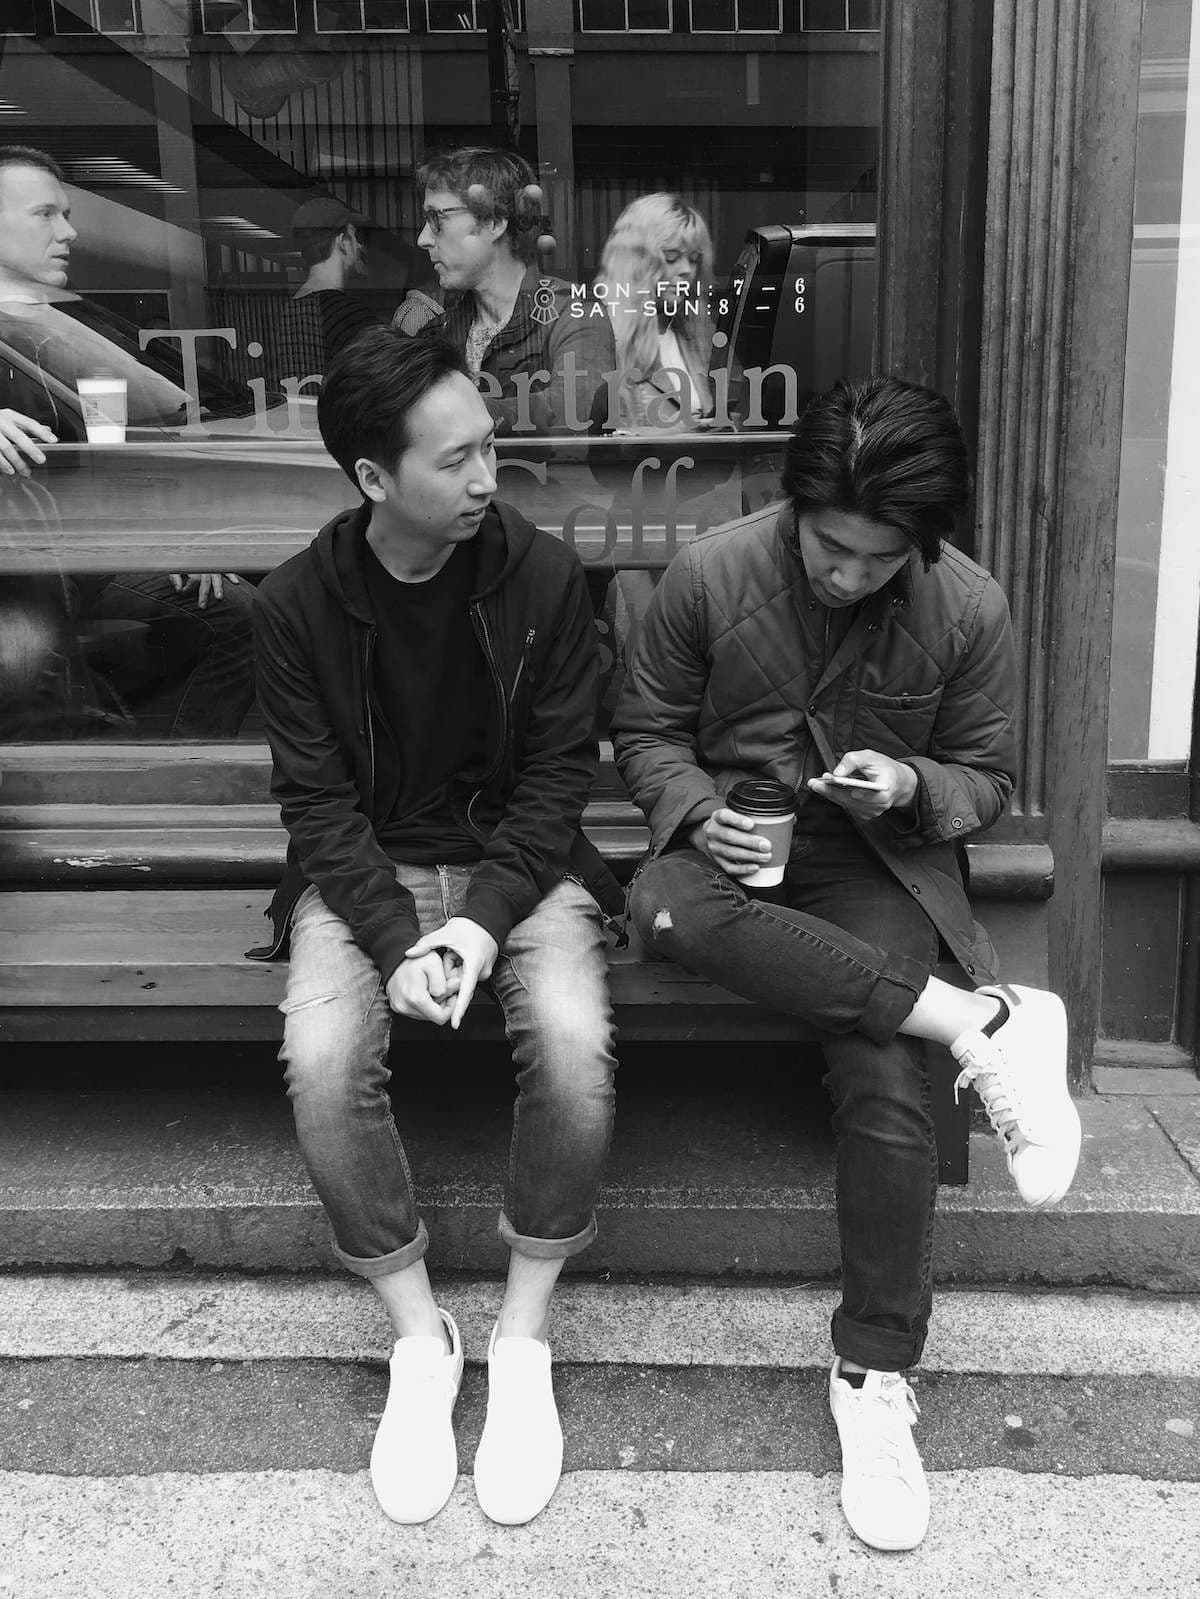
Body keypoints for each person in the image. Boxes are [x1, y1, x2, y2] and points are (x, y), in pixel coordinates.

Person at [610, 375, 1082, 1554]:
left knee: (881, 1075)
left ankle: (874, 1375)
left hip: (876, 865)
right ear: (794, 507)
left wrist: (915, 786)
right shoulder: (712, 573)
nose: (850, 575)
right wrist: (696, 806)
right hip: (734, 853)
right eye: (831, 547)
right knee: (664, 908)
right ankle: (980, 1022)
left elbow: (987, 778)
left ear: (922, 543)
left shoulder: (968, 604)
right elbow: (647, 728)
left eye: (881, 559)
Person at [250, 327, 623, 1527]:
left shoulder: (544, 577)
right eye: (455, 460)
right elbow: (315, 803)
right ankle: (424, 1340)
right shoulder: (299, 604)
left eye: (493, 448)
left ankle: (520, 1341)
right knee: (320, 1061)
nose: (485, 480)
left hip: (521, 863)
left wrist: (479, 927)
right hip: (369, 871)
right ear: (373, 479)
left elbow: (561, 780)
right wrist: (393, 926)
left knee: (570, 1046)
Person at [0, 144, 254, 739]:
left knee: (240, 616)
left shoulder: (69, 334)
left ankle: (178, 779)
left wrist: (181, 541)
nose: (69, 232)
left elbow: (117, 453)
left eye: (66, 214)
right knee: (26, 662)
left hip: (87, 558)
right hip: (18, 578)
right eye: (45, 214)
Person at [396, 145, 615, 434]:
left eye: (437, 219)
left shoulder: (572, 312)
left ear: (494, 222)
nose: (424, 238)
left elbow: (576, 410)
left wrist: (446, 412)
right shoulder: (433, 325)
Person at [598, 192, 716, 431]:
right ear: (637, 262)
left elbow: (740, 411)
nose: (686, 270)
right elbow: (613, 446)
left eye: (693, 259)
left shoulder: (701, 332)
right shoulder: (604, 337)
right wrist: (688, 431)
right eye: (671, 258)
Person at [271, 194, 382, 387]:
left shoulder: (287, 312)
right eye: (355, 236)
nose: (360, 245)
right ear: (342, 241)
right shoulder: (350, 317)